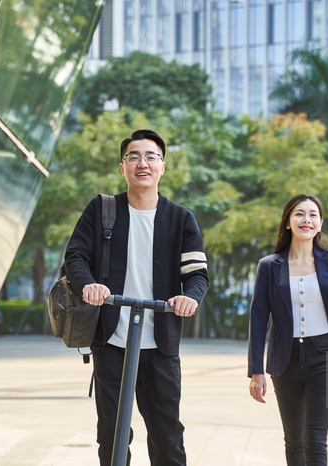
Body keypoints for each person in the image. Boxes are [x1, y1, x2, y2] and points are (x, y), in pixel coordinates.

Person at [64, 129, 209, 465]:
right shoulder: (102, 210)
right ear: (122, 167)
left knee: (167, 434)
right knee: (112, 434)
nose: (142, 163)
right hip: (111, 340)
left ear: (162, 166)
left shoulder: (181, 219)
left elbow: (197, 274)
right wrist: (89, 284)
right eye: (133, 156)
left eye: (150, 156)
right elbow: (75, 256)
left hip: (161, 344)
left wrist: (191, 298)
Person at [247, 194, 328, 465]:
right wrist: (257, 371)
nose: (306, 220)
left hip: (324, 355)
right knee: (293, 439)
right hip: (284, 358)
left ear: (320, 223)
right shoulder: (269, 266)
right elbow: (258, 321)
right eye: (299, 214)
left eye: (313, 214)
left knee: (315, 439)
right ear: (288, 222)